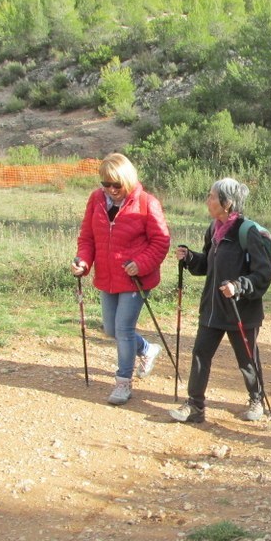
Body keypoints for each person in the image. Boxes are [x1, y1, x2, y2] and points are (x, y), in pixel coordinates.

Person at [167, 178, 271, 424]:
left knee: (247, 359)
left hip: (241, 309)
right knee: (200, 354)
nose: (208, 200)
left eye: (212, 196)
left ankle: (256, 399)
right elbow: (207, 265)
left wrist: (238, 286)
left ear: (227, 203)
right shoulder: (213, 229)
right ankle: (195, 406)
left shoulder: (248, 232)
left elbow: (263, 273)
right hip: (213, 308)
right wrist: (191, 258)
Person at [72, 152, 171, 405]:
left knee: (123, 329)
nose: (111, 190)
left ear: (128, 180)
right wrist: (83, 262)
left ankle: (123, 383)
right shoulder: (96, 200)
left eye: (117, 184)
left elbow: (161, 241)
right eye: (106, 184)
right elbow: (87, 238)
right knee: (110, 329)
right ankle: (147, 350)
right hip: (107, 277)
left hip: (135, 279)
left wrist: (141, 264)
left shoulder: (147, 203)